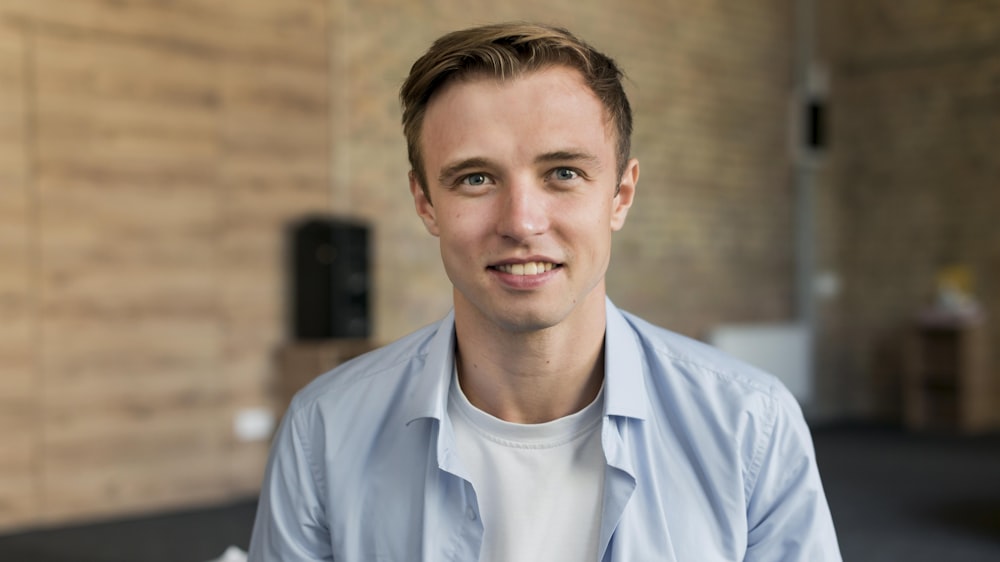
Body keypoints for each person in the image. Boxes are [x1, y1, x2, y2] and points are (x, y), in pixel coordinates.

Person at [248, 22, 842, 561]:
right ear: (426, 202)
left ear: (621, 196)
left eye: (564, 173)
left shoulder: (749, 424)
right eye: (476, 178)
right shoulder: (323, 430)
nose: (522, 222)